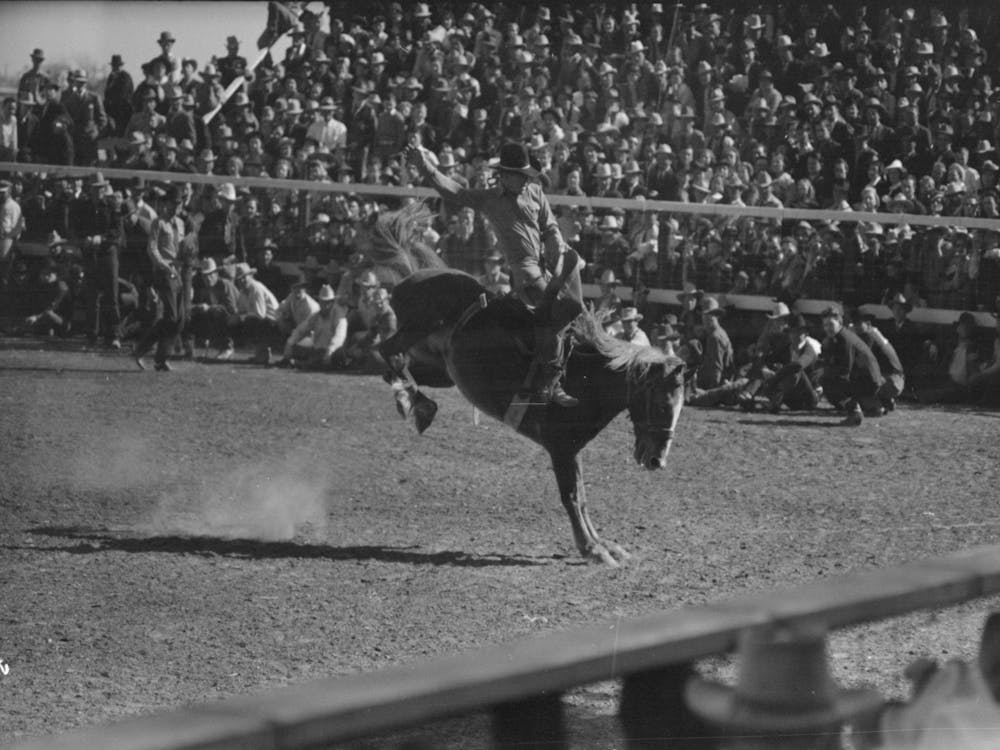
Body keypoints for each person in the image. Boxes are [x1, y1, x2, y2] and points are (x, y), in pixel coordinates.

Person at [406, 140, 583, 407]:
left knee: (572, 308)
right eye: (521, 174)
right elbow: (451, 189)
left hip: (546, 264)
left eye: (527, 174)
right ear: (506, 175)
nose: (526, 179)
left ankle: (540, 375)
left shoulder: (535, 191)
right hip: (524, 269)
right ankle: (548, 383)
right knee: (561, 309)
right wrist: (424, 165)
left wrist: (556, 242)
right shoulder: (487, 199)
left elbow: (549, 226)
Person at [134, 184, 187, 372]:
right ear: (166, 204)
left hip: (177, 271)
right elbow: (152, 248)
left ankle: (155, 355)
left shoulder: (180, 224)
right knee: (172, 315)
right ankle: (151, 353)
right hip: (164, 271)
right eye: (172, 203)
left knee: (179, 318)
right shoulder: (159, 223)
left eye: (178, 203)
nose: (175, 207)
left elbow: (180, 249)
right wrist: (164, 265)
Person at [73, 173, 125, 349]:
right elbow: (77, 229)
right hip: (90, 254)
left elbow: (117, 232)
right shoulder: (83, 207)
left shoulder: (112, 206)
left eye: (100, 188)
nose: (98, 192)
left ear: (104, 189)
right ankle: (91, 336)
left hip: (108, 253)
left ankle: (114, 335)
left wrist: (100, 239)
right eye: (95, 189)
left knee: (111, 295)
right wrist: (85, 239)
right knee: (91, 297)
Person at [819, 306, 885, 425]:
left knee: (826, 381)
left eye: (830, 324)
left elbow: (845, 369)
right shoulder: (840, 336)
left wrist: (826, 373)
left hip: (868, 381)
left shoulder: (844, 339)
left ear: (839, 323)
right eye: (825, 325)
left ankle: (855, 411)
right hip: (869, 379)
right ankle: (870, 404)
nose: (828, 328)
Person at [281, 283, 349, 369]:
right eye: (323, 302)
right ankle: (305, 362)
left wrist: (330, 350)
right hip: (318, 350)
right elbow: (301, 330)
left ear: (332, 302)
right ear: (319, 302)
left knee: (326, 356)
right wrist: (289, 343)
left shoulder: (340, 317)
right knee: (295, 347)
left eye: (328, 302)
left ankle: (303, 363)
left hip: (334, 351)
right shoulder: (316, 316)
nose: (325, 305)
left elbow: (339, 337)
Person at [851, 310, 905, 412]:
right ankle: (886, 400)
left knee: (855, 387)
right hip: (896, 380)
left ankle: (876, 406)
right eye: (854, 323)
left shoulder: (869, 335)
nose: (855, 326)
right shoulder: (874, 334)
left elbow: (861, 362)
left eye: (858, 323)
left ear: (868, 324)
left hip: (891, 380)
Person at [186, 257, 239, 360]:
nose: (208, 278)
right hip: (213, 318)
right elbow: (192, 305)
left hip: (235, 319)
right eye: (205, 276)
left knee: (217, 314)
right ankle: (189, 350)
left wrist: (209, 308)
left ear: (216, 274)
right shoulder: (203, 287)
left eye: (210, 274)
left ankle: (227, 348)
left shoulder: (224, 284)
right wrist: (198, 307)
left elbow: (232, 309)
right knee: (189, 316)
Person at [231, 261, 280, 365]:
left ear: (251, 276)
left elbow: (260, 314)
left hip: (275, 323)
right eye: (240, 279)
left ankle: (263, 355)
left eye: (244, 277)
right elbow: (241, 310)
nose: (242, 280)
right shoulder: (243, 292)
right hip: (265, 322)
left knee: (251, 322)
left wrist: (240, 317)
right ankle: (260, 354)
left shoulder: (255, 288)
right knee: (243, 321)